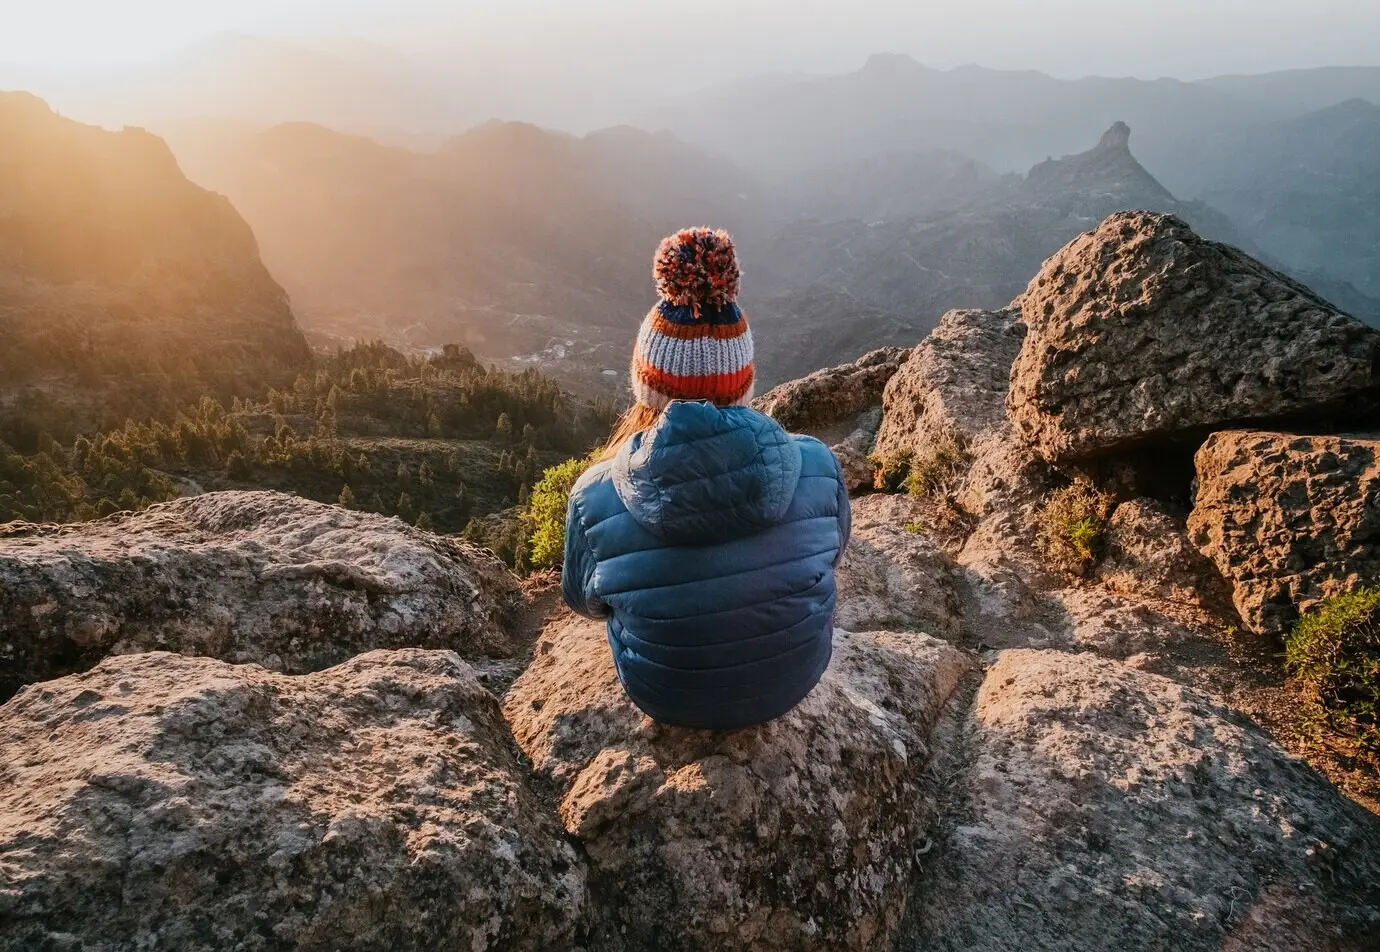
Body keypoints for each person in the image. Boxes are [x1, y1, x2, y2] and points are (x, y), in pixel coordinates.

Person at [561, 227, 851, 730]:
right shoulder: (817, 465)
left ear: (645, 384)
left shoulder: (596, 495)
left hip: (665, 694)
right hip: (794, 679)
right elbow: (833, 555)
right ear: (743, 382)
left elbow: (584, 603)